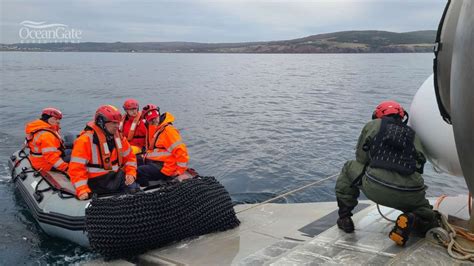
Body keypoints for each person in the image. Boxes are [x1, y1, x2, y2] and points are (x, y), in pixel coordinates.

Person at [335, 100, 438, 246]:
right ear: (402, 117)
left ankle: (345, 218)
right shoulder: (412, 134)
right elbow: (419, 164)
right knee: (428, 218)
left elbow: (361, 159)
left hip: (376, 186)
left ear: (377, 115)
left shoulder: (373, 125)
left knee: (348, 168)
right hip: (411, 192)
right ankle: (414, 218)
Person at [68, 105, 139, 200]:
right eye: (113, 123)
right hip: (95, 181)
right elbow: (76, 168)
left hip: (115, 177)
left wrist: (130, 173)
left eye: (118, 123)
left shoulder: (120, 138)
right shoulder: (85, 140)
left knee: (136, 191)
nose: (117, 126)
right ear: (101, 122)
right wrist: (82, 189)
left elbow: (130, 158)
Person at [137, 104, 189, 185]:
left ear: (159, 115)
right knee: (134, 160)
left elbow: (181, 151)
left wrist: (179, 172)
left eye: (155, 118)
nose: (154, 121)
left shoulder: (168, 131)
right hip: (157, 162)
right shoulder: (155, 128)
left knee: (139, 171)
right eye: (151, 120)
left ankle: (148, 191)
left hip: (166, 167)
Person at [25, 107, 69, 173]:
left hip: (39, 159)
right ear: (47, 119)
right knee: (77, 159)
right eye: (55, 119)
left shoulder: (38, 127)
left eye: (58, 119)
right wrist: (66, 168)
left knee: (72, 151)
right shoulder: (47, 135)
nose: (58, 121)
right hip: (45, 164)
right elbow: (51, 157)